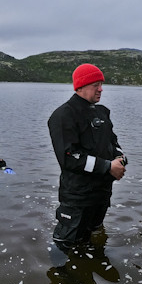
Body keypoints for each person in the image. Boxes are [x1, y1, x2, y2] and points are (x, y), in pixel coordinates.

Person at [47, 63, 126, 250]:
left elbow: (113, 143)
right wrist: (107, 167)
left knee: (95, 236)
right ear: (80, 86)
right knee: (65, 244)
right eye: (96, 85)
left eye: (101, 84)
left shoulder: (102, 112)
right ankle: (62, 275)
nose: (101, 89)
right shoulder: (63, 115)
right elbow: (68, 158)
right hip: (78, 196)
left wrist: (120, 159)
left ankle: (94, 262)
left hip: (101, 193)